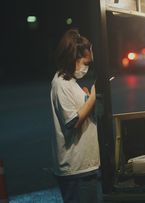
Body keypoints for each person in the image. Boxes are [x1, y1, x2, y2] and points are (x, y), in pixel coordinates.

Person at [50, 29, 101, 202]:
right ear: (73, 58)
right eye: (85, 62)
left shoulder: (71, 83)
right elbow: (72, 122)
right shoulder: (61, 83)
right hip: (75, 170)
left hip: (84, 167)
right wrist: (93, 96)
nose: (87, 67)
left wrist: (86, 98)